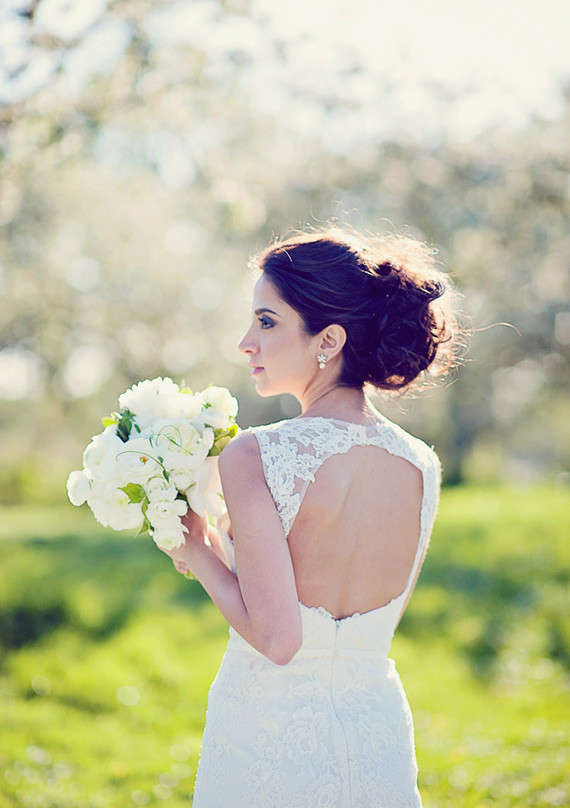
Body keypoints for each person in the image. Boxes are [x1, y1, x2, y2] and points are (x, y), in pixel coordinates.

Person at [161, 225, 461, 807]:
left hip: (270, 729)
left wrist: (196, 551)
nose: (245, 342)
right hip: (374, 728)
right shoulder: (421, 464)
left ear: (328, 340)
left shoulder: (255, 453)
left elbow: (279, 638)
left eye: (267, 321)